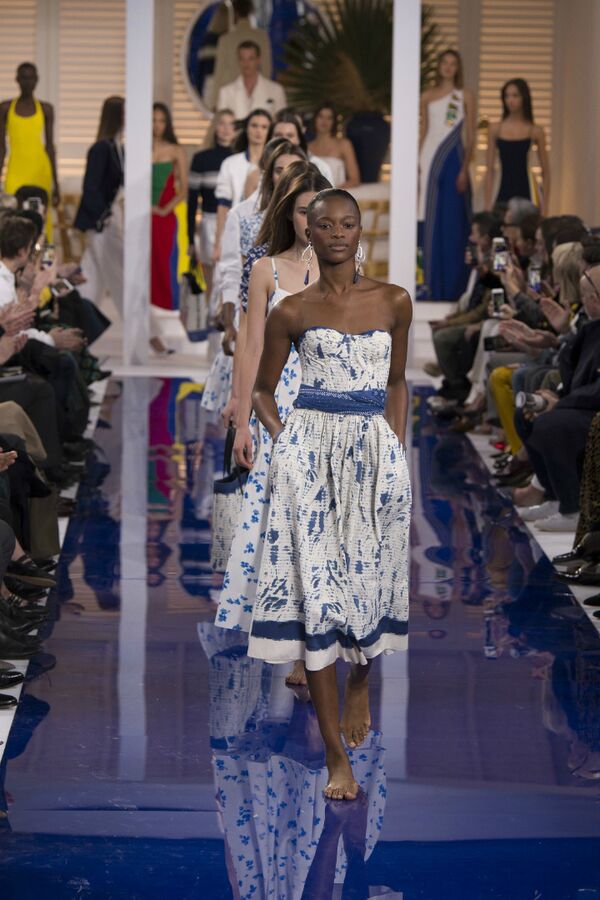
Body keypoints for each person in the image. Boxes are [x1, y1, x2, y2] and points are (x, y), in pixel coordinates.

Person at [240, 189, 412, 800]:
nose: (338, 233)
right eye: (326, 224)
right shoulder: (290, 310)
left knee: (369, 582)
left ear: (361, 231)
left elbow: (397, 383)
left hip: (374, 457)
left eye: (348, 223)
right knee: (318, 596)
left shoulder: (394, 300)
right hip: (308, 460)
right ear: (308, 233)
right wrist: (287, 442)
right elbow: (263, 390)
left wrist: (394, 450)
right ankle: (336, 755)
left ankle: (360, 679)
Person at [216, 163, 331, 688]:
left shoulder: (344, 268)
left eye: (319, 211)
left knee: (321, 526)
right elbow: (251, 347)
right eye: (304, 210)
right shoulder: (265, 269)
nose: (312, 221)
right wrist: (242, 419)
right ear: (288, 213)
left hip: (330, 407)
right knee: (280, 525)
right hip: (276, 409)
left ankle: (313, 645)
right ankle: (293, 640)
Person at [201, 139, 307, 415]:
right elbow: (232, 270)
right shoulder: (245, 216)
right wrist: (229, 317)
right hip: (255, 320)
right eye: (280, 170)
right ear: (269, 174)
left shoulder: (322, 238)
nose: (286, 176)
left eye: (294, 169)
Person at [418, 49, 475, 302]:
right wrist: (415, 163)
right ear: (438, 66)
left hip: (453, 159)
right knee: (429, 219)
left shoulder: (464, 96)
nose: (448, 67)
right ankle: (429, 283)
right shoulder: (427, 96)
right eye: (444, 63)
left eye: (453, 63)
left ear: (458, 68)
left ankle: (453, 285)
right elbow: (424, 130)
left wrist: (465, 168)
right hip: (428, 160)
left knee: (452, 221)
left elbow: (470, 135)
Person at [74, 96, 125, 318]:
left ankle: (80, 322)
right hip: (102, 221)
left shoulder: (118, 148)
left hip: (111, 218)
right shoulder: (101, 149)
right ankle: (143, 328)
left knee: (91, 274)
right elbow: (90, 187)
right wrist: (103, 217)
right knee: (116, 273)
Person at [0, 62, 59, 239]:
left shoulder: (46, 109)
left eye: (31, 78)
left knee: (42, 219)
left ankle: (44, 255)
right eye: (24, 78)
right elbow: (1, 147)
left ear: (37, 80)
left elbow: (50, 147)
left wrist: (56, 183)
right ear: (17, 79)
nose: (27, 82)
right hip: (16, 169)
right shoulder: (5, 108)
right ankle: (14, 255)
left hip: (40, 170)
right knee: (13, 218)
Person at [187, 108, 235, 303]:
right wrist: (190, 239)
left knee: (232, 279)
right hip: (209, 224)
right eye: (221, 123)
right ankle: (210, 317)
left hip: (235, 224)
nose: (226, 129)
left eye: (231, 124)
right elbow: (192, 201)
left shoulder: (241, 159)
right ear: (215, 127)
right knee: (210, 281)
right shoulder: (201, 159)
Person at [213, 108, 271, 261]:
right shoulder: (230, 164)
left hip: (268, 236)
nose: (258, 131)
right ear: (246, 128)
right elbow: (223, 205)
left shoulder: (275, 165)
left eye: (264, 127)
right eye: (254, 125)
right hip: (235, 233)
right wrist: (218, 243)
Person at [484, 78, 550, 213]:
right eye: (507, 96)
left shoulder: (535, 131)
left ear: (524, 97)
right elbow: (490, 169)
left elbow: (546, 171)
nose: (510, 100)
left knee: (525, 225)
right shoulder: (495, 129)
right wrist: (487, 204)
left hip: (526, 192)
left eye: (515, 95)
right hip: (501, 192)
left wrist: (545, 207)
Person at [151, 102, 189, 325]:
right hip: (141, 216)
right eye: (153, 120)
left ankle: (168, 313)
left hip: (164, 216)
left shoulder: (176, 151)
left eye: (161, 120)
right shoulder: (137, 147)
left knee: (164, 264)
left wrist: (164, 210)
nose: (157, 125)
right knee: (144, 264)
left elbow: (183, 189)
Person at [211, 0, 273, 107]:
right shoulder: (262, 37)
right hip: (256, 97)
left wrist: (214, 102)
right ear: (251, 11)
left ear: (235, 12)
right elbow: (267, 70)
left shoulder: (225, 40)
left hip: (230, 99)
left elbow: (219, 74)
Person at [216, 40, 286, 122]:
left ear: (258, 60)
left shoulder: (276, 90)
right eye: (242, 59)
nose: (246, 63)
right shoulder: (226, 92)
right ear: (238, 60)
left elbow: (282, 122)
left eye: (251, 59)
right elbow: (221, 123)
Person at [307, 103, 360, 189]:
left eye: (329, 118)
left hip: (337, 194)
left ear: (334, 122)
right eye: (321, 116)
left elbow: (354, 179)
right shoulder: (307, 148)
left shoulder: (344, 144)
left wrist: (335, 193)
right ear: (315, 119)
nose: (324, 121)